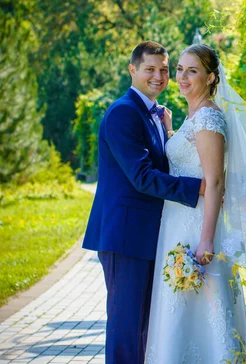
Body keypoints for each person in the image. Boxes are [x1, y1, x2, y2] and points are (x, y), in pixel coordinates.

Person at [145, 43, 246, 363]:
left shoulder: (208, 118)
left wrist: (207, 238)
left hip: (197, 228)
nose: (181, 77)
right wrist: (170, 132)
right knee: (180, 303)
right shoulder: (194, 115)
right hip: (177, 224)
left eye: (191, 71)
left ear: (210, 78)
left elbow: (216, 182)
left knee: (201, 303)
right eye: (179, 69)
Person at [82, 41, 205, 364]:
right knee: (126, 327)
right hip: (125, 237)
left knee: (144, 327)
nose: (159, 76)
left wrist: (170, 132)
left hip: (146, 236)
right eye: (150, 69)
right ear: (132, 70)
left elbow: (161, 163)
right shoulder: (124, 113)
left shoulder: (153, 113)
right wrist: (199, 188)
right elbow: (142, 176)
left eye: (164, 69)